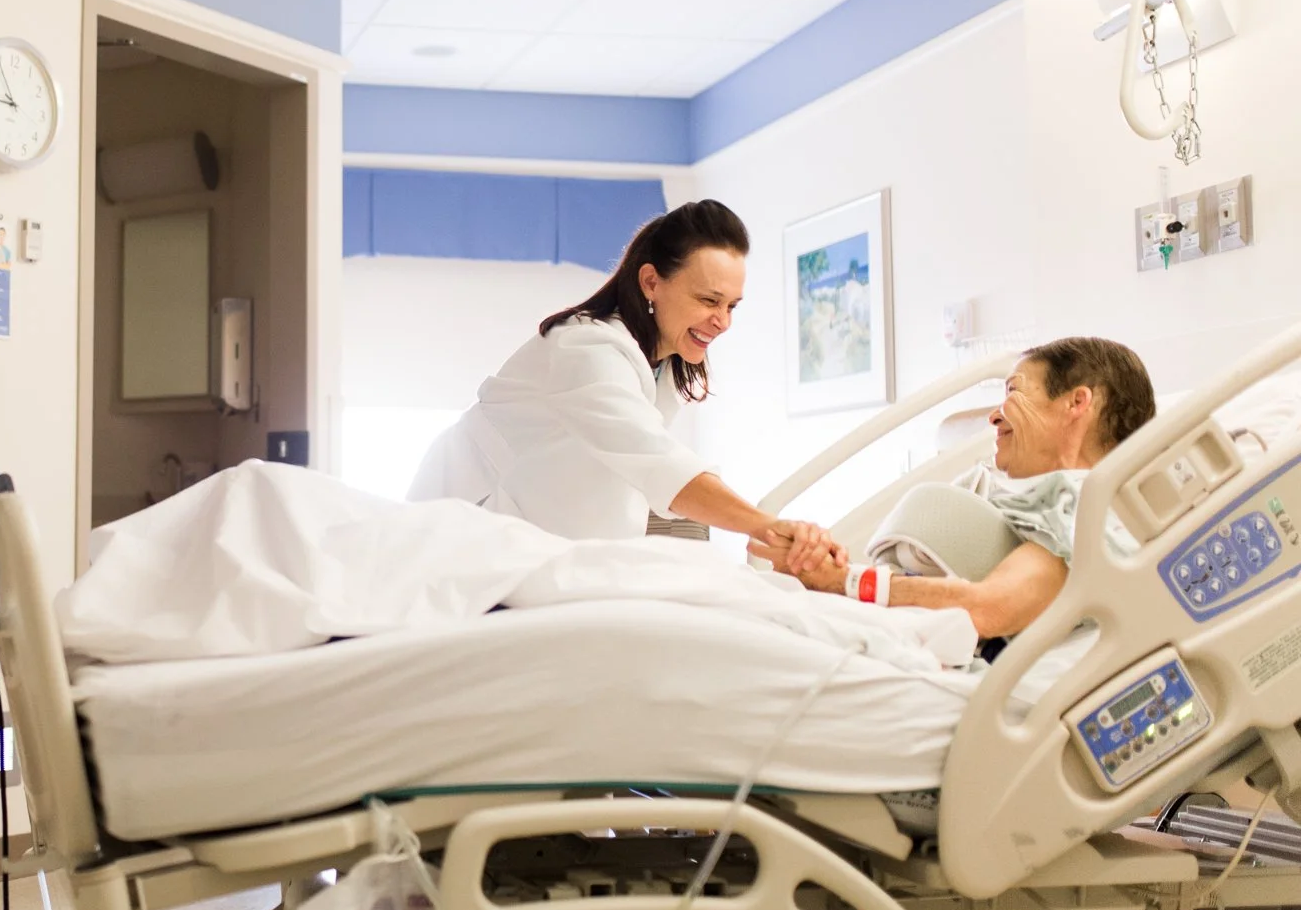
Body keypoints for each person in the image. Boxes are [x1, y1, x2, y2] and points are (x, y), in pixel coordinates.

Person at [410, 198, 839, 570]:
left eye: (731, 306)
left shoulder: (661, 365)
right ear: (651, 282)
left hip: (544, 528)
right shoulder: (584, 349)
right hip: (467, 524)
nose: (722, 322)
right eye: (708, 301)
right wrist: (768, 526)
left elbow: (650, 471)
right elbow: (657, 462)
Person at [765, 337, 1157, 645]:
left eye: (1014, 392)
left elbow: (992, 607)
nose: (994, 414)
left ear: (1076, 402)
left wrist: (841, 582)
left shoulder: (1077, 501)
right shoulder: (1048, 499)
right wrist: (822, 573)